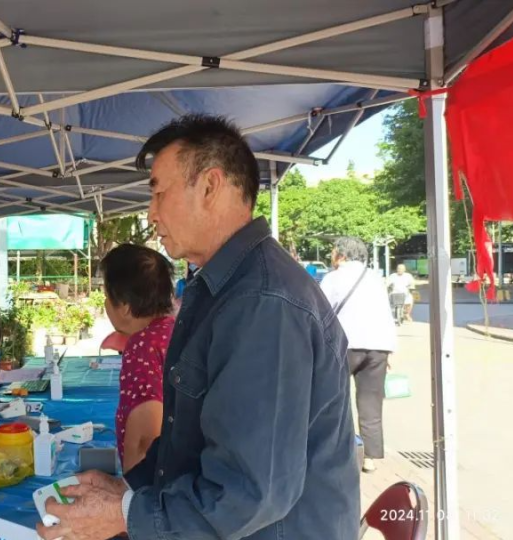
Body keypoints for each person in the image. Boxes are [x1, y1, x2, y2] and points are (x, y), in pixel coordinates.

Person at [37, 115, 359, 540]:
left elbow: (247, 492)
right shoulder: (220, 288)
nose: (151, 213)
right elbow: (188, 436)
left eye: (159, 193)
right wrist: (128, 489)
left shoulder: (261, 301)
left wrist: (125, 514)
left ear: (210, 186)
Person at [321, 237, 397, 473]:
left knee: (336, 399)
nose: (331, 255)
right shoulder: (375, 278)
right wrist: (390, 350)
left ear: (341, 254)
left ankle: (342, 451)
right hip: (378, 346)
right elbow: (385, 314)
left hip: (345, 345)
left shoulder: (333, 278)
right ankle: (370, 457)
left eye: (333, 251)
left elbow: (320, 311)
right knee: (371, 401)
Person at [101, 244, 175, 473]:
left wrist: (130, 489)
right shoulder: (172, 329)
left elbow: (145, 439)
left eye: (106, 296)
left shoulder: (142, 346)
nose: (105, 304)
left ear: (124, 306)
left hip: (150, 482)